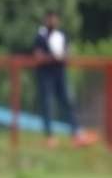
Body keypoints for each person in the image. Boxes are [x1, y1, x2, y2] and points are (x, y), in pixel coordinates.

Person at [33, 11, 94, 148]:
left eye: (55, 19)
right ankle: (49, 136)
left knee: (68, 103)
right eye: (50, 19)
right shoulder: (40, 37)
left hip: (60, 75)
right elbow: (38, 56)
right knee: (47, 105)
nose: (53, 22)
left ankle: (76, 134)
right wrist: (53, 58)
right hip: (45, 76)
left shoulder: (62, 35)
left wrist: (62, 56)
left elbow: (67, 53)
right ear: (46, 20)